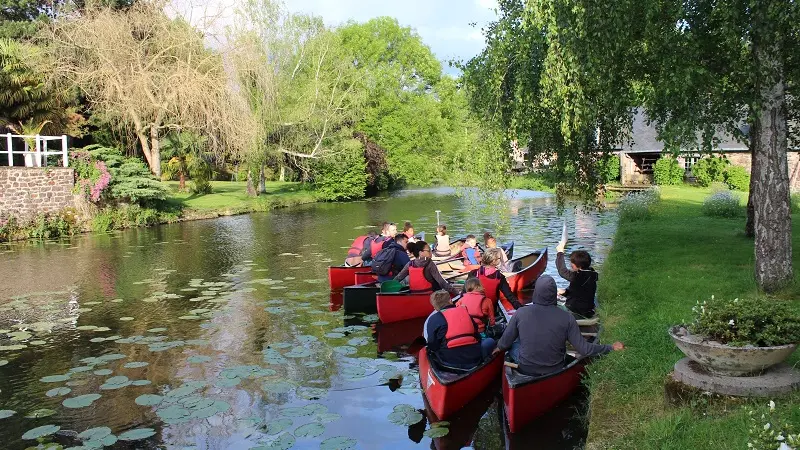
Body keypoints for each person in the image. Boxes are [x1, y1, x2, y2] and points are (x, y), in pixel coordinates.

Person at [493, 275, 623, 376]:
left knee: (514, 342)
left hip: (527, 368)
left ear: (536, 293)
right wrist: (610, 347)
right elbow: (584, 349)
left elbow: (504, 343)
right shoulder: (567, 317)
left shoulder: (520, 313)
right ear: (554, 294)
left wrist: (495, 351)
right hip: (554, 367)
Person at [424, 290, 495, 370]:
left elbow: (433, 345)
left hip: (448, 362)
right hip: (474, 359)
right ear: (450, 301)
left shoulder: (433, 319)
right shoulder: (465, 312)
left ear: (435, 308)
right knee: (490, 341)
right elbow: (477, 336)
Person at [394, 241, 460, 295]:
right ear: (421, 253)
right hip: (430, 296)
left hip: (414, 294)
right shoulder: (430, 263)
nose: (431, 253)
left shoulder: (410, 264)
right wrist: (456, 292)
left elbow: (398, 278)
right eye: (429, 251)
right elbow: (442, 282)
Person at [555, 241, 598, 318]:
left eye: (572, 264)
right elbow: (580, 292)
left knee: (548, 301)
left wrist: (560, 253)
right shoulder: (591, 273)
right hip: (587, 309)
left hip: (577, 311)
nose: (570, 265)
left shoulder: (579, 276)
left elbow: (562, 271)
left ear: (579, 266)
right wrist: (565, 292)